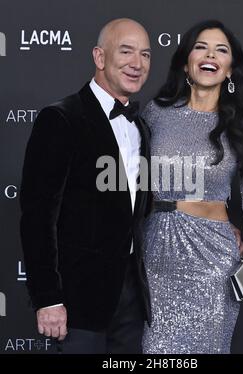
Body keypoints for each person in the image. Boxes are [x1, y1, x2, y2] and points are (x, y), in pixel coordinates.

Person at [141, 20, 243, 354]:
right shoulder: (156, 113)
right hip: (157, 253)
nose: (210, 54)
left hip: (214, 258)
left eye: (221, 50)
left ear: (229, 69)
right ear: (186, 63)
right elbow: (135, 181)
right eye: (201, 46)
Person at [20, 18, 153, 354]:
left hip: (130, 301)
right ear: (99, 57)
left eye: (146, 55)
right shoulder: (61, 119)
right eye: (126, 51)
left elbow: (137, 210)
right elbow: (37, 218)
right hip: (76, 302)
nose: (137, 64)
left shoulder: (142, 128)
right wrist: (48, 298)